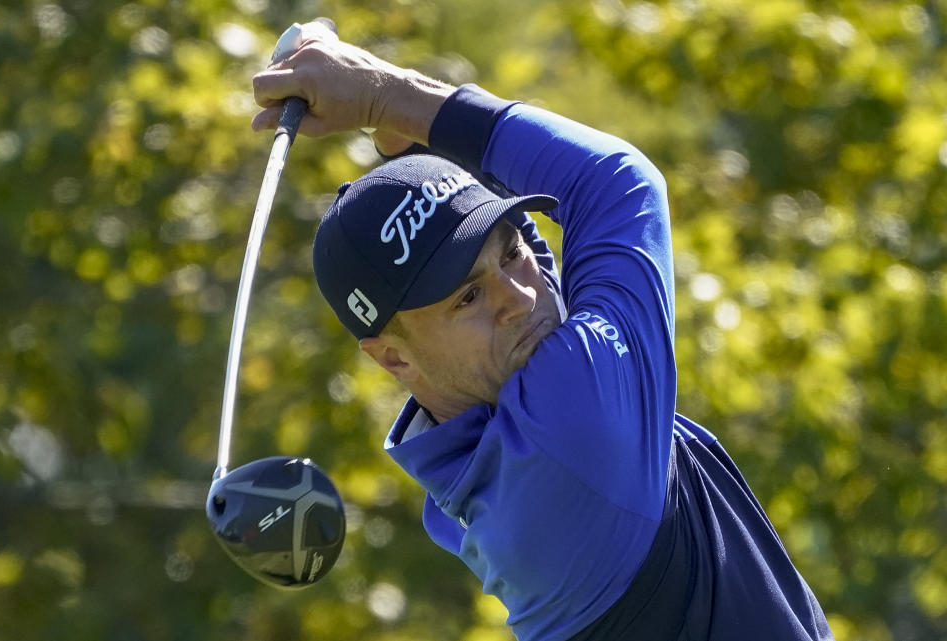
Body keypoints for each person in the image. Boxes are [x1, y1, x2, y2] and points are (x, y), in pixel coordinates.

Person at [251, 22, 834, 641]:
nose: (520, 295)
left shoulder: (465, 468)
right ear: (394, 359)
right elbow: (616, 183)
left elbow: (540, 271)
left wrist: (417, 132)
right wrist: (385, 95)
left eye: (508, 253)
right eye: (469, 296)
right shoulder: (574, 424)